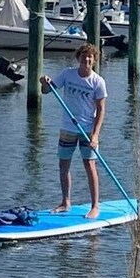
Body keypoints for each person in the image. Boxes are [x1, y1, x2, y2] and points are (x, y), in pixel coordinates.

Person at [40, 43, 107, 219]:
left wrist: (95, 135)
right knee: (64, 165)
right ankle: (65, 202)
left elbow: (101, 110)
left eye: (90, 57)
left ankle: (95, 206)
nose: (87, 60)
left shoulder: (98, 82)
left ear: (94, 60)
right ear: (78, 58)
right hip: (68, 128)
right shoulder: (67, 74)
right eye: (84, 56)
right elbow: (47, 91)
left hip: (87, 129)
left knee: (90, 165)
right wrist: (44, 83)